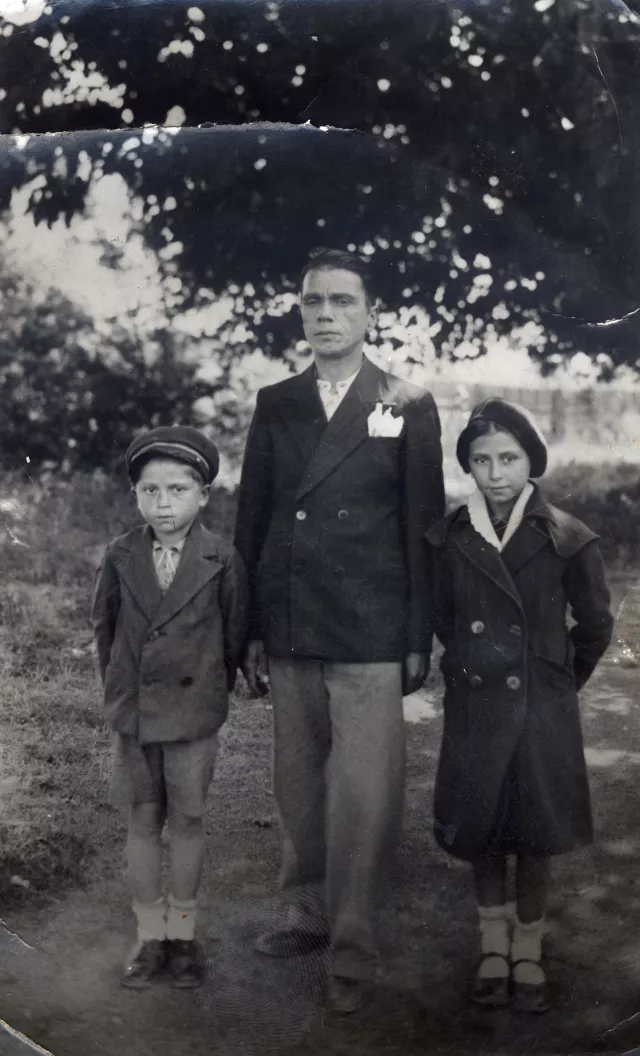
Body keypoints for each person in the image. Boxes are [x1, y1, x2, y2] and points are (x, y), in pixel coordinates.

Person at [234, 248, 444, 1013]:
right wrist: (248, 628)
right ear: (300, 312)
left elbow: (424, 526)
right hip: (289, 620)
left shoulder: (406, 401)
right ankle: (306, 910)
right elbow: (250, 519)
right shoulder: (276, 401)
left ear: (369, 313)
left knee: (364, 790)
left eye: (342, 301)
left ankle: (353, 944)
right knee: (298, 780)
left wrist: (420, 634)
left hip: (371, 626)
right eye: (313, 301)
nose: (326, 314)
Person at [426, 398, 613, 1013]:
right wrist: (471, 666)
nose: (496, 472)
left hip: (540, 705)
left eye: (509, 458)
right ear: (469, 468)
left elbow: (595, 623)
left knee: (534, 832)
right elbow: (443, 617)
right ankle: (491, 947)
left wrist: (558, 682)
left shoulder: (566, 537)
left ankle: (527, 950)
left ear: (531, 461)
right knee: (483, 829)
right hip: (477, 701)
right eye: (482, 460)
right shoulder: (451, 537)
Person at [91, 426, 247, 990]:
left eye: (178, 489)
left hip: (192, 717)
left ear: (203, 495)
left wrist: (208, 694)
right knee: (141, 821)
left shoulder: (221, 557)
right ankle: (149, 934)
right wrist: (121, 695)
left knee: (187, 820)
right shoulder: (120, 554)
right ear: (135, 495)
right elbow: (105, 632)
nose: (164, 503)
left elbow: (232, 637)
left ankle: (183, 933)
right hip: (134, 716)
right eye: (151, 490)